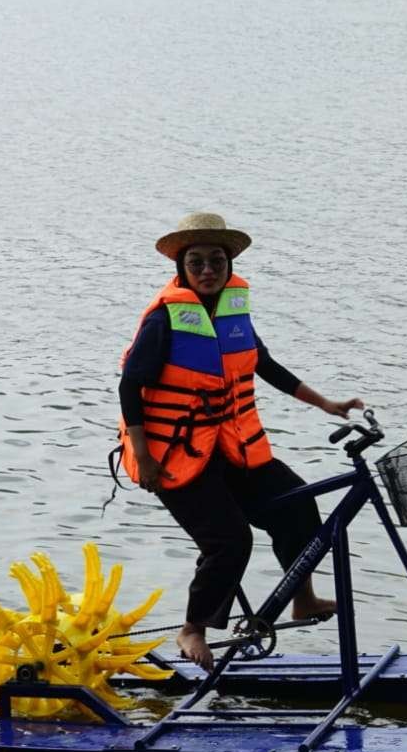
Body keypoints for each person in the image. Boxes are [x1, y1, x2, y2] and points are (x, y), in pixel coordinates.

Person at [117, 212, 364, 669]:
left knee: (298, 505)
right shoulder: (165, 320)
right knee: (230, 540)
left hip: (231, 444)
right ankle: (192, 630)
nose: (208, 270)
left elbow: (265, 365)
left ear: (229, 266)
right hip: (175, 455)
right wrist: (146, 458)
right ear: (182, 270)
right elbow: (130, 387)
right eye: (197, 262)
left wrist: (326, 404)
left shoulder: (233, 310)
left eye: (217, 261)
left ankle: (302, 598)